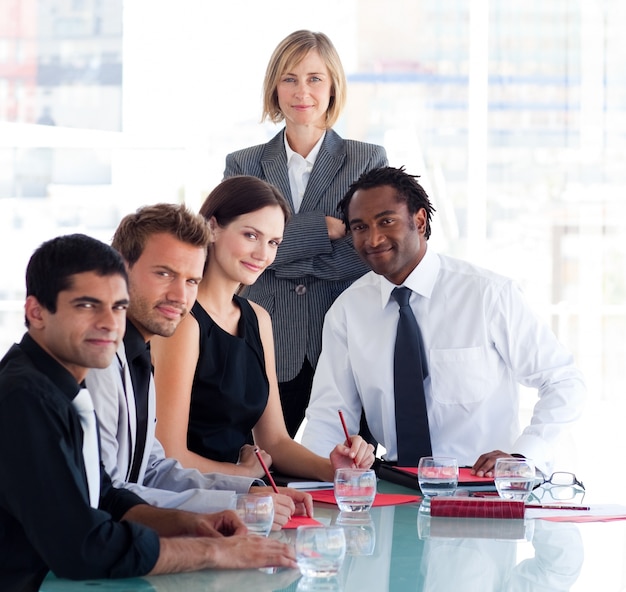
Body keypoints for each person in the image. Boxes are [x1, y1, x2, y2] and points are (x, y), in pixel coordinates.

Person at [0, 234, 296, 592]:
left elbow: (105, 495)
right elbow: (82, 548)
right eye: (87, 306)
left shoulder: (62, 384)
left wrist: (190, 523)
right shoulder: (24, 397)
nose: (111, 323)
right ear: (36, 312)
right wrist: (211, 552)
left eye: (119, 307)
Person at [301, 166, 586, 477]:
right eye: (359, 227)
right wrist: (315, 486)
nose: (373, 238)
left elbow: (563, 381)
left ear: (419, 221)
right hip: (398, 484)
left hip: (484, 485)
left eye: (386, 221)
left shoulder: (488, 295)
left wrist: (523, 456)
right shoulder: (347, 311)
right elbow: (329, 416)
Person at [85, 203, 311, 527]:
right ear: (119, 268)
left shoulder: (139, 355)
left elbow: (152, 469)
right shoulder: (96, 364)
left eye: (192, 281)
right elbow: (108, 497)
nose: (180, 295)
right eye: (164, 273)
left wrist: (246, 493)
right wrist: (231, 507)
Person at [151, 176, 374, 482]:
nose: (263, 254)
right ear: (213, 227)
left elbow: (275, 443)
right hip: (185, 497)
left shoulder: (258, 319)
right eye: (251, 235)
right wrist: (244, 476)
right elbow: (169, 454)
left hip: (241, 492)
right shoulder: (184, 322)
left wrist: (334, 469)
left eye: (273, 243)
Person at [224, 30, 388, 437]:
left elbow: (366, 252)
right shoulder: (243, 165)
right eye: (289, 78)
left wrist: (275, 250)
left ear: (333, 86)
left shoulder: (366, 159)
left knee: (348, 475)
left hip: (343, 344)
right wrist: (322, 229)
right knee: (260, 473)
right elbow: (233, 252)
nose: (302, 91)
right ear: (274, 87)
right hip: (264, 344)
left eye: (315, 78)